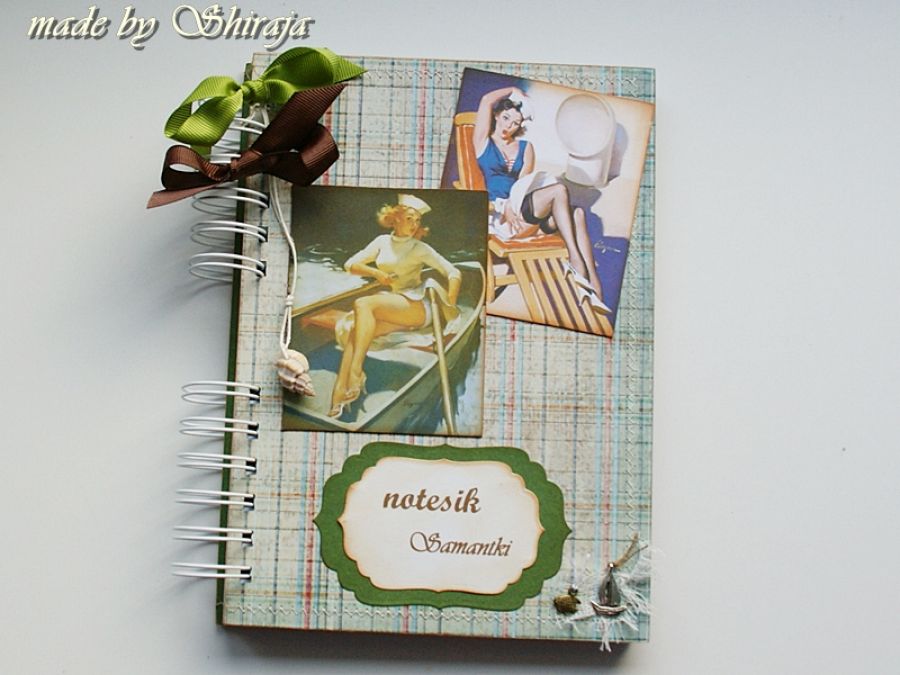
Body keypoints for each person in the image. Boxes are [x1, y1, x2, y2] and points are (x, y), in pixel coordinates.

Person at [473, 86, 609, 314]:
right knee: (559, 191)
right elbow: (486, 99)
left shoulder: (526, 148)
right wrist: (512, 89)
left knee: (577, 213)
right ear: (496, 115)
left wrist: (513, 202)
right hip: (505, 219)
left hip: (524, 208)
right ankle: (576, 261)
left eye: (515, 123)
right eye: (506, 118)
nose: (508, 126)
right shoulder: (483, 143)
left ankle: (593, 284)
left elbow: (523, 185)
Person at [329, 194, 461, 418]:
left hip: (418, 307)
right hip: (396, 305)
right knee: (355, 331)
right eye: (409, 218)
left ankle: (356, 371)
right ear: (395, 218)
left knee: (363, 303)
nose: (414, 224)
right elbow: (350, 264)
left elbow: (453, 273)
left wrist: (450, 305)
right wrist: (376, 273)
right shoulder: (382, 242)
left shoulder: (420, 248)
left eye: (417, 220)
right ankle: (340, 393)